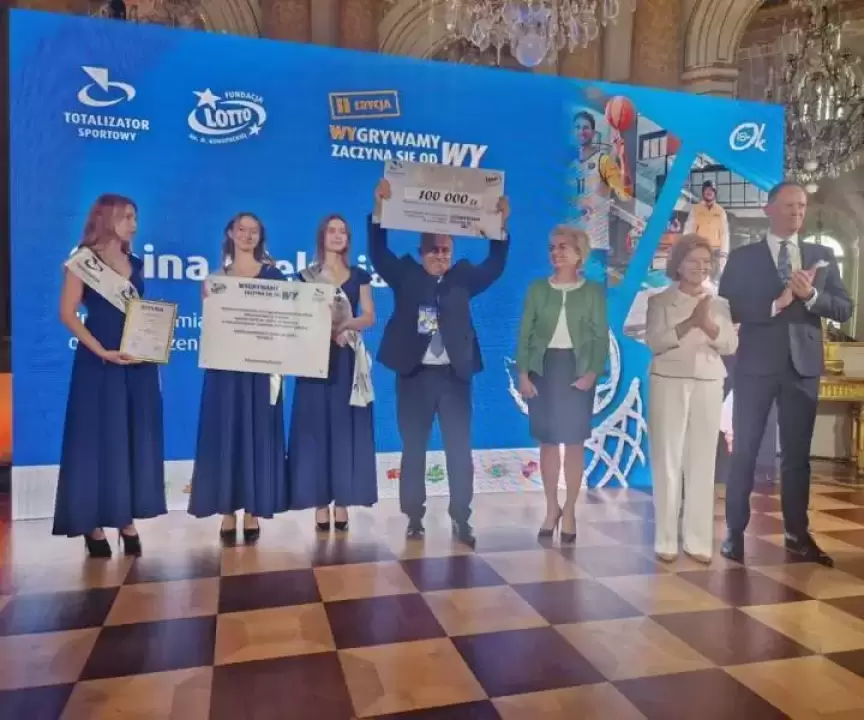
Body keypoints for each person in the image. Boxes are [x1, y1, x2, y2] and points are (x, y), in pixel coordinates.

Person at [369, 178, 510, 547]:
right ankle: (414, 518)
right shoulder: (404, 275)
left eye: (445, 250)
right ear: (421, 252)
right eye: (433, 250)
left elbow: (495, 264)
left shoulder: (463, 277)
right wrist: (380, 208)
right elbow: (378, 252)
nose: (440, 255)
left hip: (454, 378)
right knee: (413, 449)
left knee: (459, 450)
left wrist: (500, 226)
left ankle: (461, 518)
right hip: (414, 377)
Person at [718, 181, 853, 566]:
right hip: (755, 365)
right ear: (769, 209)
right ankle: (734, 533)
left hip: (802, 367)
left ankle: (797, 535)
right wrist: (775, 304)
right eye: (790, 205)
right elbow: (728, 307)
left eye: (802, 206)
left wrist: (811, 297)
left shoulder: (821, 255)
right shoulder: (743, 257)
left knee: (797, 456)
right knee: (744, 450)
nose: (797, 212)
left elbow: (844, 308)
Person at [54, 194, 166, 558]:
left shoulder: (136, 263)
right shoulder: (83, 261)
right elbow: (67, 313)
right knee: (98, 439)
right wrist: (100, 350)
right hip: (98, 362)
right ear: (107, 218)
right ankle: (93, 523)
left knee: (130, 436)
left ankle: (125, 517)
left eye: (135, 217)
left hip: (137, 363)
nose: (134, 224)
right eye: (127, 217)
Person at [188, 213, 288, 543]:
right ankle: (227, 509)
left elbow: (287, 321)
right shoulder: (216, 280)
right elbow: (213, 327)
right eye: (241, 229)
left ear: (261, 237)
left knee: (258, 434)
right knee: (226, 432)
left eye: (253, 231)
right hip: (225, 371)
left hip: (261, 369)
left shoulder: (275, 276)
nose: (247, 235)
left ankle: (253, 510)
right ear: (230, 233)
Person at [645, 235, 737, 563]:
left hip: (709, 382)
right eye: (693, 260)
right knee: (667, 461)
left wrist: (708, 324)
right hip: (668, 381)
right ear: (678, 264)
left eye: (706, 261)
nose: (701, 267)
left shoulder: (719, 303)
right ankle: (666, 538)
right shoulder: (659, 301)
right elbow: (655, 341)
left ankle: (697, 540)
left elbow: (730, 345)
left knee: (702, 462)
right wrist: (689, 323)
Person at [516, 226, 608, 543]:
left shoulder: (592, 291)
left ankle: (569, 510)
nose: (556, 252)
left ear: (580, 253)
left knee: (574, 442)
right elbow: (525, 334)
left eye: (563, 247)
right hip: (543, 369)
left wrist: (592, 373)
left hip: (577, 369)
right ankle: (551, 507)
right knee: (549, 442)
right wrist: (523, 373)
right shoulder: (537, 289)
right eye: (552, 247)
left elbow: (600, 336)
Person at [288, 214, 377, 531]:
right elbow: (297, 316)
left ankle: (342, 501)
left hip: (347, 359)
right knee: (316, 430)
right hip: (314, 361)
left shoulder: (359, 276)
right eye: (332, 231)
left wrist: (346, 326)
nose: (338, 236)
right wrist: (322, 331)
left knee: (343, 430)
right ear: (322, 236)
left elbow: (369, 316)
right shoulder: (305, 277)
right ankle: (319, 503)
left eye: (343, 232)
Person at [568, 110, 633, 271]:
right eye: (577, 127)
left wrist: (622, 158)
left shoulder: (603, 162)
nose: (581, 131)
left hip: (594, 246)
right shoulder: (570, 166)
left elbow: (625, 195)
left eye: (586, 127)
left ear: (593, 132)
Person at [684, 180, 730, 277]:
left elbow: (724, 233)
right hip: (700, 249)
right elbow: (689, 230)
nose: (709, 192)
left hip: (716, 251)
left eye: (711, 190)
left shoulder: (720, 211)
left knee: (714, 277)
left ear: (715, 193)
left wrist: (724, 253)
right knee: (699, 277)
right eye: (706, 190)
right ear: (703, 192)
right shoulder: (696, 209)